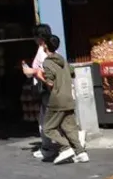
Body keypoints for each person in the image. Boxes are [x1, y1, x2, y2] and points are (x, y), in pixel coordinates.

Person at [41, 35, 88, 164]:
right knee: (69, 127)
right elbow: (72, 72)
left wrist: (39, 75)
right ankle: (81, 153)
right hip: (68, 98)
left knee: (48, 128)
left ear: (46, 46)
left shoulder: (47, 62)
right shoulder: (63, 60)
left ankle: (65, 147)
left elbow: (50, 83)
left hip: (57, 100)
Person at [21, 25, 54, 159]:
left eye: (35, 36)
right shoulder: (46, 49)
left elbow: (47, 69)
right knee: (51, 118)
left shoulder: (44, 51)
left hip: (47, 89)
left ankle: (48, 148)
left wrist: (31, 71)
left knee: (46, 119)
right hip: (48, 89)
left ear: (40, 37)